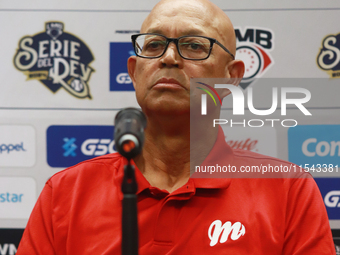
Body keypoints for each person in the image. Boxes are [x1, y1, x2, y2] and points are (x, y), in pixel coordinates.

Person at [17, 0, 335, 254]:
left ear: (232, 77)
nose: (169, 58)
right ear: (133, 71)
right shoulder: (66, 194)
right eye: (154, 45)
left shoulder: (289, 191)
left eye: (194, 46)